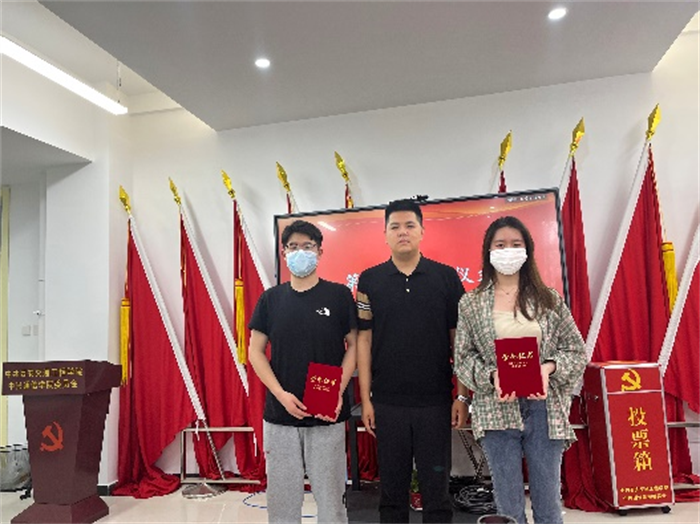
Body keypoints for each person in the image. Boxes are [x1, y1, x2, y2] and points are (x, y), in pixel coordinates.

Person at [453, 216, 587, 524]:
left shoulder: (548, 299)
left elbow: (576, 350)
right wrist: (492, 376)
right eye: (500, 245)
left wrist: (548, 368)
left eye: (516, 244)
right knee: (507, 505)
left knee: (548, 502)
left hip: (545, 409)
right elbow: (463, 359)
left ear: (527, 250)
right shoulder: (471, 303)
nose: (508, 251)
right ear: (488, 251)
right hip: (495, 409)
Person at [356, 198, 469, 524]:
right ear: (385, 234)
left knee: (437, 492)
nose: (402, 232)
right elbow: (364, 340)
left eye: (409, 225)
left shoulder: (446, 278)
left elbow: (458, 340)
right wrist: (366, 399)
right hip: (387, 403)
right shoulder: (370, 280)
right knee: (391, 493)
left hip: (435, 403)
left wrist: (461, 396)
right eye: (395, 226)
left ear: (421, 231)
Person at [248, 219, 358, 524]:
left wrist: (337, 391)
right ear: (284, 252)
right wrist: (280, 394)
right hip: (280, 416)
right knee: (282, 501)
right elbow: (255, 352)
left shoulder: (338, 296)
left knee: (331, 499)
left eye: (308, 246)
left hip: (327, 413)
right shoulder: (271, 299)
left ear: (320, 251)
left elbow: (354, 347)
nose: (300, 252)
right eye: (293, 247)